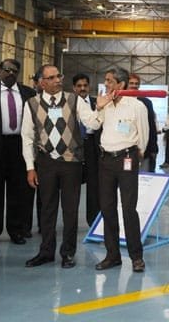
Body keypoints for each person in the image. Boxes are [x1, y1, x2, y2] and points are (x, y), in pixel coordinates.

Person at [22, 64, 101, 269]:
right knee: (47, 209)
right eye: (52, 77)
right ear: (42, 82)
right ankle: (46, 252)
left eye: (59, 76)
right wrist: (30, 167)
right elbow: (27, 137)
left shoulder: (74, 100)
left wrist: (101, 107)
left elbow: (92, 124)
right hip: (46, 162)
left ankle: (68, 253)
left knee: (70, 210)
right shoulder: (31, 103)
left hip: (72, 162)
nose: (58, 80)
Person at [93, 67, 148, 273]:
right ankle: (112, 255)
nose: (106, 84)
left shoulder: (136, 106)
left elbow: (144, 135)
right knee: (107, 208)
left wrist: (135, 155)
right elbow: (91, 125)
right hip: (106, 160)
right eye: (105, 80)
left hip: (126, 158)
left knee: (128, 208)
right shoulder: (105, 104)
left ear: (121, 84)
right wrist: (98, 107)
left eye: (109, 81)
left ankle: (136, 257)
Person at [0, 59, 37, 246]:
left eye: (14, 70)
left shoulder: (29, 94)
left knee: (18, 191)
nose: (10, 73)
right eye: (6, 70)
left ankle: (16, 230)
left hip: (19, 146)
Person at [72, 73, 102, 227]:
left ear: (89, 87)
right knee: (72, 186)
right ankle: (71, 222)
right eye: (79, 86)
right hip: (74, 146)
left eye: (85, 85)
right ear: (74, 88)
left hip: (91, 146)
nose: (82, 88)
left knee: (93, 185)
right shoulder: (67, 103)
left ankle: (93, 221)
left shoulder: (97, 103)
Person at [128, 73, 158, 172]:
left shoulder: (146, 102)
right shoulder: (121, 102)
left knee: (144, 176)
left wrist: (154, 148)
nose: (134, 85)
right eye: (131, 83)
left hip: (144, 148)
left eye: (136, 83)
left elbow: (151, 126)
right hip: (126, 148)